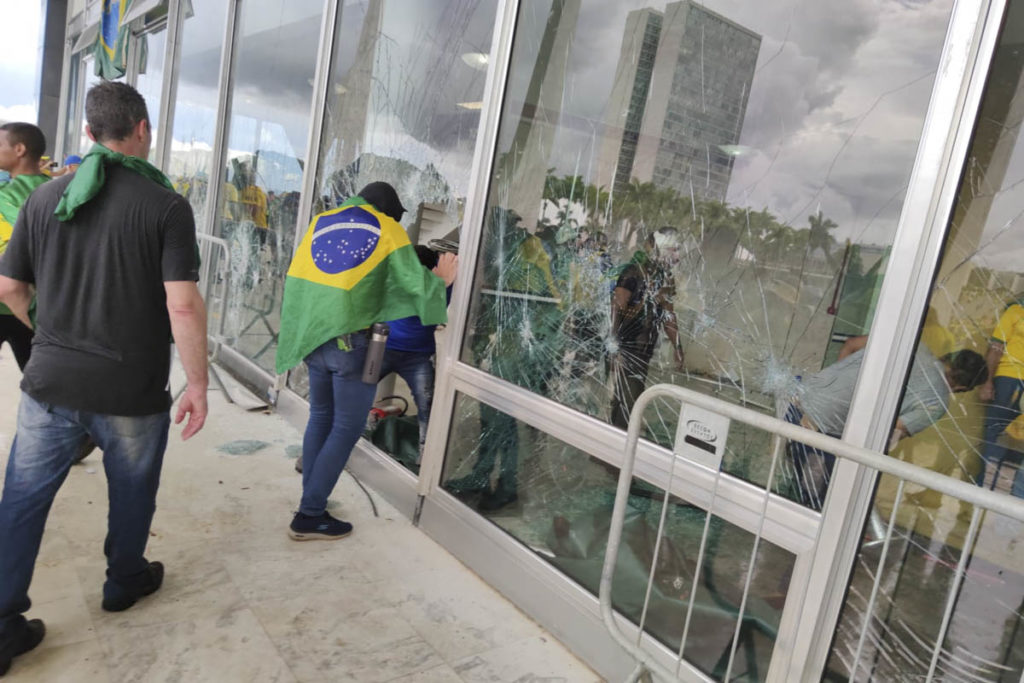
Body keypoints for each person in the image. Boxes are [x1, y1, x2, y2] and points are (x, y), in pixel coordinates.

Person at [0, 81, 208, 674]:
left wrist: (43, 329)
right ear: (142, 129)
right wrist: (197, 385)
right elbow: (184, 306)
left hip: (49, 385)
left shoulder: (43, 198)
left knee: (20, 502)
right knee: (133, 489)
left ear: (88, 134)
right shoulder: (166, 206)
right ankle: (123, 580)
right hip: (131, 390)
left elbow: (9, 287)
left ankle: (2, 624)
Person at [276, 181, 456, 541]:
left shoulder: (322, 222)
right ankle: (310, 514)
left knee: (321, 417)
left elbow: (297, 280)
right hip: (350, 345)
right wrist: (443, 280)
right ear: (389, 210)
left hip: (314, 339)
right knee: (347, 427)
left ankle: (311, 500)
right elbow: (411, 283)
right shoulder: (387, 229)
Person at [786, 336, 987, 509]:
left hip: (798, 400)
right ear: (962, 387)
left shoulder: (913, 345)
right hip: (822, 432)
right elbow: (889, 435)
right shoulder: (937, 401)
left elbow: (851, 344)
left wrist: (831, 390)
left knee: (789, 490)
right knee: (816, 504)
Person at [380, 245, 453, 459]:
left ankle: (426, 453)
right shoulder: (398, 283)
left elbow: (430, 312)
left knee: (427, 404)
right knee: (356, 391)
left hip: (417, 356)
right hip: (387, 348)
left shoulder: (440, 287)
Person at [608, 227, 684, 429]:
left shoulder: (666, 278)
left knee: (627, 396)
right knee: (628, 399)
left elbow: (668, 315)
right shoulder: (634, 272)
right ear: (659, 248)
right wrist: (614, 345)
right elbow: (617, 308)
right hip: (627, 347)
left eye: (677, 249)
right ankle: (613, 450)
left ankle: (609, 448)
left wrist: (677, 346)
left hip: (644, 349)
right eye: (673, 250)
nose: (677, 255)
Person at [0, 122, 50, 372]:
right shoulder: (57, 190)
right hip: (37, 305)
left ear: (19, 149)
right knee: (40, 383)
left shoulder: (8, 195)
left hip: (12, 297)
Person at [977, 300, 1024, 497]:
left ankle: (1016, 495)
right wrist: (987, 381)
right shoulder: (1015, 311)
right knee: (991, 432)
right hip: (1010, 379)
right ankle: (975, 485)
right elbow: (996, 347)